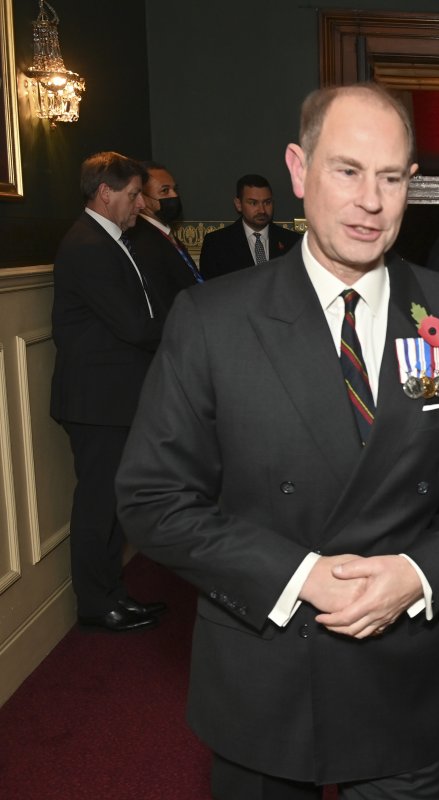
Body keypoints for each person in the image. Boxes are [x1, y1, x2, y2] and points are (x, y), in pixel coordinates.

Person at [115, 83, 439, 799]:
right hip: (266, 676)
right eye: (348, 171)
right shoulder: (213, 320)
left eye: (391, 178)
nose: (371, 201)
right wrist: (299, 575)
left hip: (406, 679)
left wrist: (418, 573)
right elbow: (153, 499)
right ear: (299, 170)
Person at [50, 151, 168, 633]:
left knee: (113, 503)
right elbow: (134, 325)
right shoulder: (88, 245)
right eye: (134, 194)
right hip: (97, 401)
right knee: (98, 506)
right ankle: (96, 604)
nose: (141, 203)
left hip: (113, 398)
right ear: (105, 192)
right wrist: (188, 328)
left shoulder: (109, 240)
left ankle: (113, 593)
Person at [126, 160, 204, 310]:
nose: (174, 195)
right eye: (165, 191)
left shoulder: (166, 233)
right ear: (141, 197)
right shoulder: (141, 241)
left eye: (175, 189)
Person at [199, 173, 301, 278]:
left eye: (267, 202)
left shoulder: (293, 242)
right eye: (253, 203)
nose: (262, 210)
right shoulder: (216, 244)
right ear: (238, 204)